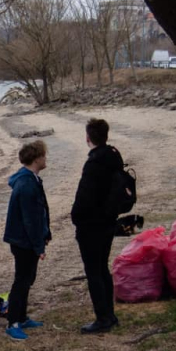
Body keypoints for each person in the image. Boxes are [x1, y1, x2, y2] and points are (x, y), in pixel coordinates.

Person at [71, 118, 124, 334]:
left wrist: (76, 217)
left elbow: (85, 197)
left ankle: (103, 317)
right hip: (108, 220)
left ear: (88, 138)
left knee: (94, 270)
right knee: (102, 267)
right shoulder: (114, 156)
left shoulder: (93, 164)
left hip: (92, 223)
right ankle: (109, 314)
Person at [2, 141, 51, 341]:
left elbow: (41, 213)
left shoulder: (32, 180)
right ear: (36, 158)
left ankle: (21, 317)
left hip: (27, 238)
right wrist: (38, 246)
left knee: (28, 279)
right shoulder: (26, 184)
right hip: (23, 240)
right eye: (44, 156)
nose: (46, 159)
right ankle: (13, 322)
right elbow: (30, 220)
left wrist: (45, 234)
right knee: (21, 281)